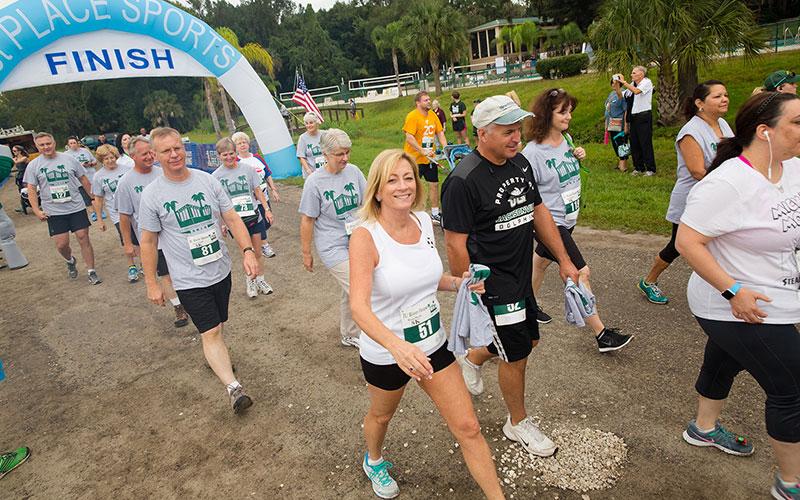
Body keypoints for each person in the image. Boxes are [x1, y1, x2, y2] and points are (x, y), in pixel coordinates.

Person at [350, 149, 505, 500]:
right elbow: (358, 307)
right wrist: (396, 345)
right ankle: (373, 459)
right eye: (392, 180)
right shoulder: (366, 237)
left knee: (468, 426)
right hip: (388, 352)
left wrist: (461, 283)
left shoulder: (422, 222)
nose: (403, 186)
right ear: (377, 190)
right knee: (381, 416)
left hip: (433, 344)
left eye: (408, 178)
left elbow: (430, 279)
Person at [675, 91, 800, 500]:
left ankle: (703, 429)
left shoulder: (792, 168)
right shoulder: (728, 182)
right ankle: (790, 484)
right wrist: (733, 291)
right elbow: (686, 241)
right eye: (796, 123)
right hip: (732, 303)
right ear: (765, 132)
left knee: (724, 359)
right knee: (791, 387)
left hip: (776, 296)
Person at [441, 95, 580, 457]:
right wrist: (467, 289)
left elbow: (538, 212)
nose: (516, 137)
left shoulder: (519, 164)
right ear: (483, 133)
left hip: (520, 275)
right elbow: (455, 243)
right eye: (507, 131)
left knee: (528, 342)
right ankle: (517, 423)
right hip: (492, 283)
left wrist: (564, 259)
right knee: (516, 353)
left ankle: (472, 358)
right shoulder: (462, 181)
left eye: (518, 129)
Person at [140, 127, 258, 414]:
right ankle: (234, 389)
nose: (174, 154)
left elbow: (231, 217)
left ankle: (214, 355)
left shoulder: (207, 181)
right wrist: (152, 283)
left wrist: (248, 251)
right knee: (212, 329)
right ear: (156, 156)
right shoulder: (152, 195)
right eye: (166, 151)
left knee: (218, 324)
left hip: (220, 269)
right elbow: (148, 241)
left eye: (177, 148)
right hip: (187, 278)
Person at [522, 88, 632, 352]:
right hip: (552, 224)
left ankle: (528, 307)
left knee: (540, 263)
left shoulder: (566, 139)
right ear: (547, 115)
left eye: (570, 111)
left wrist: (577, 154)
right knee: (580, 272)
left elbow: (564, 169)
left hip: (568, 219)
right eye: (563, 112)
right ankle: (601, 333)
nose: (569, 116)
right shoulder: (532, 153)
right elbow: (528, 197)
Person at [638, 81, 733, 305]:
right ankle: (649, 281)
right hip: (693, 200)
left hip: (720, 197)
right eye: (717, 96)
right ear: (700, 103)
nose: (724, 99)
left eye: (725, 95)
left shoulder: (723, 125)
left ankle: (726, 287)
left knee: (724, 241)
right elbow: (697, 171)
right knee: (677, 246)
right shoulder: (690, 131)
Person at [299, 129, 365, 348]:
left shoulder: (354, 172)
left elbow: (367, 204)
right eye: (339, 154)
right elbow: (308, 220)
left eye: (347, 152)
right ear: (325, 154)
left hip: (357, 240)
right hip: (333, 246)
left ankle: (349, 333)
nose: (345, 158)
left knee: (351, 290)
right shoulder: (314, 182)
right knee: (361, 288)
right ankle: (377, 338)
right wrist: (306, 253)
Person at [116, 135, 189, 328]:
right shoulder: (125, 183)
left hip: (176, 234)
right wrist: (128, 243)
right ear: (132, 156)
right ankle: (178, 306)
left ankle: (191, 297)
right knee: (166, 274)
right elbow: (124, 217)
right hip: (152, 239)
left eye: (151, 152)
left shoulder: (163, 173)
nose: (149, 157)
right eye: (144, 154)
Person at [24, 132, 101, 284]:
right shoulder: (34, 165)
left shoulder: (69, 159)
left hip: (75, 207)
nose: (46, 147)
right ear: (37, 147)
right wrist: (36, 210)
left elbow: (83, 179)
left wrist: (93, 198)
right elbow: (31, 189)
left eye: (48, 143)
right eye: (42, 145)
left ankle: (91, 271)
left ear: (54, 143)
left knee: (83, 237)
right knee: (62, 244)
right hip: (54, 211)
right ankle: (70, 260)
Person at [213, 138, 274, 298]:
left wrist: (267, 209)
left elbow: (258, 191)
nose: (229, 157)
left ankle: (260, 279)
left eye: (231, 153)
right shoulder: (216, 176)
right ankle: (251, 281)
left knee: (258, 252)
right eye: (225, 155)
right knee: (247, 253)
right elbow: (218, 204)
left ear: (236, 153)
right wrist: (222, 224)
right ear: (219, 156)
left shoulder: (247, 169)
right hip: (236, 221)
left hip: (253, 214)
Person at [91, 144, 137, 282]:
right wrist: (100, 219)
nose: (110, 161)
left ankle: (144, 264)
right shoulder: (98, 177)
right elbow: (98, 199)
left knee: (139, 238)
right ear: (101, 160)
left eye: (112, 157)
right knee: (126, 239)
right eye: (106, 159)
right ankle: (131, 266)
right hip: (117, 213)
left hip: (134, 210)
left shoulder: (128, 170)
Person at [232, 131, 280, 258]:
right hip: (250, 200)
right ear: (235, 147)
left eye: (244, 142)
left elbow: (268, 174)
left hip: (264, 196)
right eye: (239, 143)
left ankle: (256, 241)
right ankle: (264, 245)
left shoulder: (257, 158)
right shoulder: (236, 161)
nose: (242, 145)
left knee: (268, 222)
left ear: (248, 144)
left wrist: (273, 189)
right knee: (258, 222)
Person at [403, 91, 447, 224]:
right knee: (413, 187)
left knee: (434, 184)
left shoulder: (433, 115)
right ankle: (409, 213)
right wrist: (421, 150)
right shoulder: (412, 116)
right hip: (414, 159)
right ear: (418, 103)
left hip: (430, 158)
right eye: (425, 100)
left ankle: (434, 213)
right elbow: (409, 137)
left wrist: (446, 149)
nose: (429, 101)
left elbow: (440, 133)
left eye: (429, 99)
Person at [619, 66, 656, 176]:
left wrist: (624, 82)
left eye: (634, 73)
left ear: (641, 74)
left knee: (645, 142)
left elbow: (636, 92)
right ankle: (638, 167)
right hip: (634, 117)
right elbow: (622, 95)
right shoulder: (632, 84)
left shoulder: (647, 82)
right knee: (634, 142)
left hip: (644, 116)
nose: (632, 75)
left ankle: (650, 168)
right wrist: (618, 84)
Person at [65, 136, 100, 221]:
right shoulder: (66, 155)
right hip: (78, 180)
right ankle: (93, 213)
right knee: (86, 198)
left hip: (90, 176)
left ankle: (99, 211)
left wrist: (90, 164)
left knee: (95, 196)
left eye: (74, 142)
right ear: (68, 145)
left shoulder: (85, 151)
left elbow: (95, 161)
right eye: (71, 143)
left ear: (78, 143)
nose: (73, 145)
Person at [605, 75, 629, 172]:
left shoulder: (622, 93)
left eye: (616, 83)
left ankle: (624, 166)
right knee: (615, 143)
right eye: (613, 83)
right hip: (611, 123)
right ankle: (620, 163)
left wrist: (626, 126)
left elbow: (625, 110)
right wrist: (606, 124)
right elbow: (607, 109)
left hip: (619, 123)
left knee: (621, 143)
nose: (614, 85)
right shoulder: (611, 94)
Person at [296, 112, 325, 178]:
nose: (309, 125)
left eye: (311, 123)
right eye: (306, 123)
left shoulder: (324, 134)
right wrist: (308, 170)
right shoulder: (303, 138)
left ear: (316, 123)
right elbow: (301, 156)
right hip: (311, 172)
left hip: (325, 170)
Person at [12, 145, 29, 214]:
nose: (13, 152)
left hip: (25, 176)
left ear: (20, 151)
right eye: (13, 151)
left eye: (15, 151)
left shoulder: (24, 158)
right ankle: (23, 206)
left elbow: (16, 162)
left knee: (29, 191)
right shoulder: (15, 158)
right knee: (21, 192)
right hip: (20, 177)